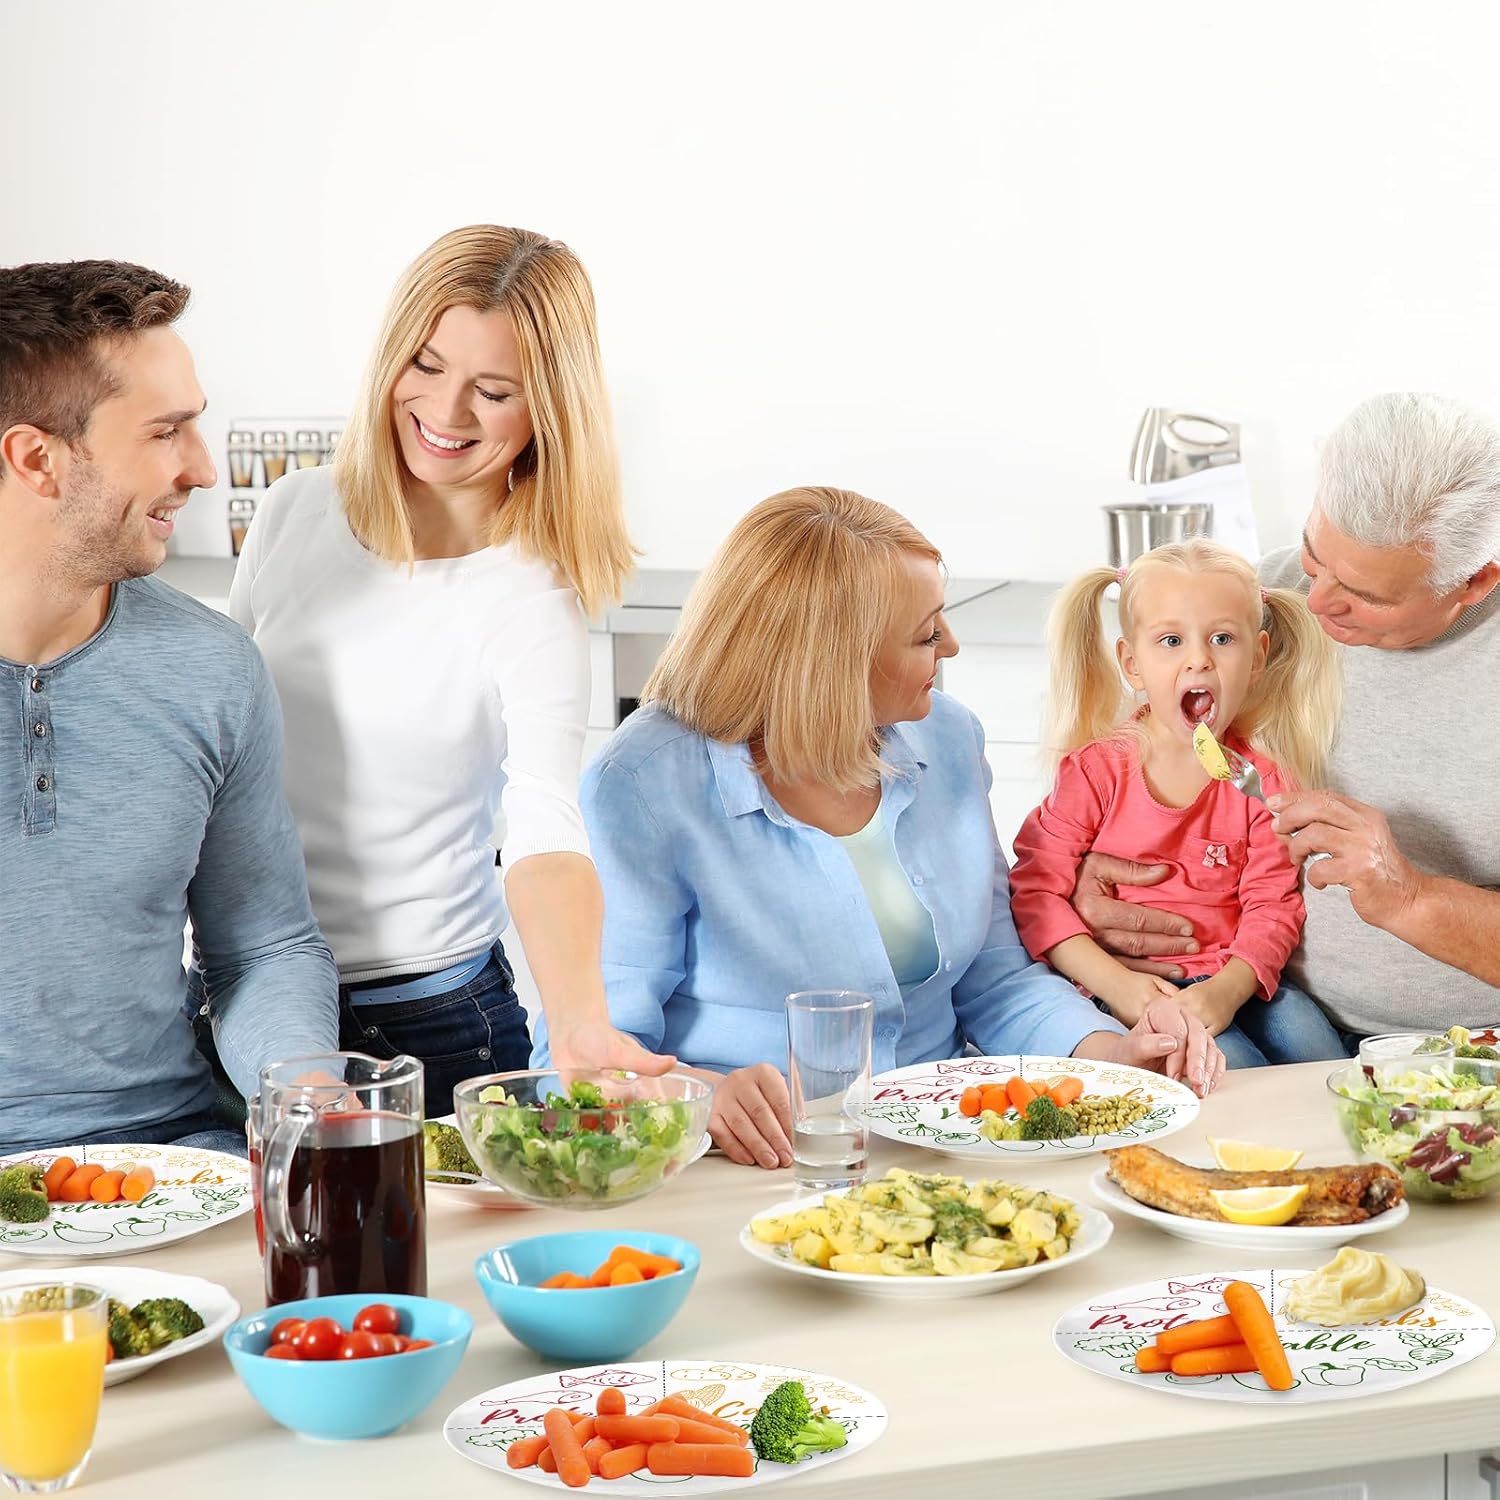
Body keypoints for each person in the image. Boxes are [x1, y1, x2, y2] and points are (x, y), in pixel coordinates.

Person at [531, 487, 1225, 1168]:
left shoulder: (947, 740)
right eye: (926, 634)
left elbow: (994, 982)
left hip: (937, 1147)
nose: (951, 645)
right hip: (748, 1166)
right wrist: (700, 1097)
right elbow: (586, 1056)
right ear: (833, 663)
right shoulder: (645, 783)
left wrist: (1114, 1054)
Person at [228, 225, 669, 1117]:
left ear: (549, 411)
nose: (446, 410)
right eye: (426, 365)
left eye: (493, 391)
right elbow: (219, 733)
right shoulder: (292, 510)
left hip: (423, 1018)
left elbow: (544, 823)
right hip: (246, 999)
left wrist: (579, 1018)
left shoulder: (530, 595)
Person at [0, 260, 338, 1156]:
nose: (203, 468)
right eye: (165, 432)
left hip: (176, 1159)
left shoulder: (211, 667)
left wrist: (305, 1089)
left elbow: (262, 946)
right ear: (36, 459)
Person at [1069, 394, 1500, 1044]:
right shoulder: (1251, 603)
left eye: (1365, 594)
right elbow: (1125, 775)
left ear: (1474, 582)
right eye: (1313, 554)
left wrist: (1411, 898)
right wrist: (1085, 883)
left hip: (1467, 1050)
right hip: (1270, 1013)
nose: (1316, 601)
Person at [1007, 539, 1347, 1068]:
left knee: (1318, 1054)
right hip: (1127, 986)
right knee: (1235, 1071)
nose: (1199, 659)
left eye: (1222, 639)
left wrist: (1229, 988)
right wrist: (1119, 986)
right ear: (1132, 663)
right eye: (1171, 640)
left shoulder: (1261, 780)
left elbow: (1272, 903)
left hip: (1234, 977)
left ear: (1257, 657)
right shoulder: (1096, 772)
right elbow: (1036, 895)